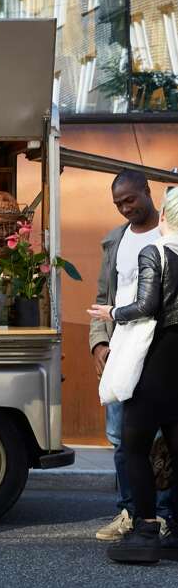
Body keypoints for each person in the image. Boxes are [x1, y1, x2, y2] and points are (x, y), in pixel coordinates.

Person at [89, 186, 178, 564]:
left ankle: (144, 531)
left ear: (162, 216)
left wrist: (112, 314)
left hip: (156, 359)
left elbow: (147, 305)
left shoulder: (154, 251)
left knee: (135, 445)